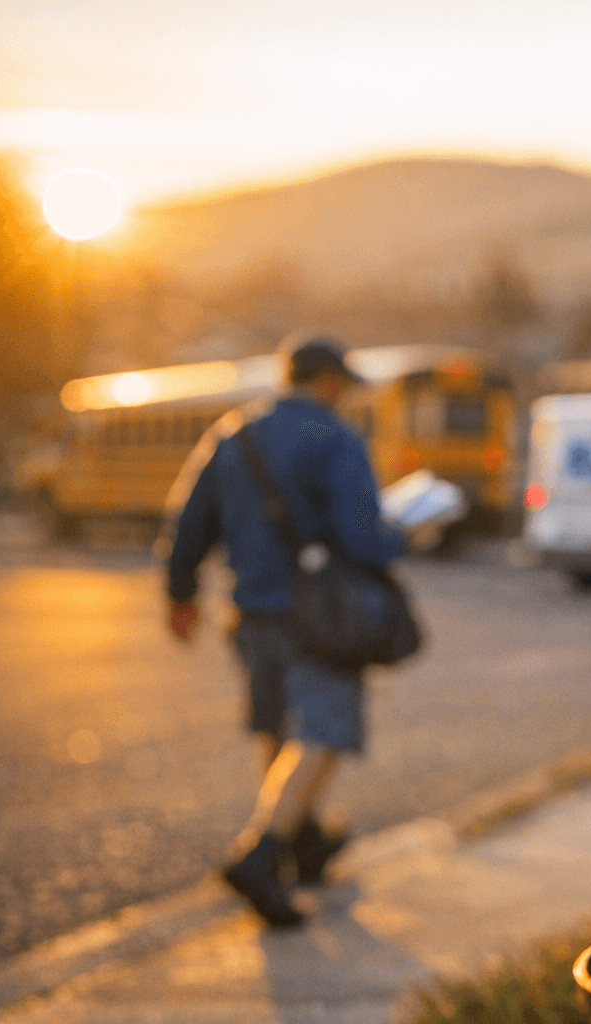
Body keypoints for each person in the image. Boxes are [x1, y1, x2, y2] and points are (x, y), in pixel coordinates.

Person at [159, 333, 435, 927]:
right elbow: (362, 536)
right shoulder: (334, 437)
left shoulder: (235, 434)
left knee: (280, 729)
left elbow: (190, 522)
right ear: (331, 382)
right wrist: (405, 536)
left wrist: (181, 596)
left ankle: (304, 841)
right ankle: (261, 855)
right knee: (326, 731)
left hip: (250, 612)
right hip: (319, 616)